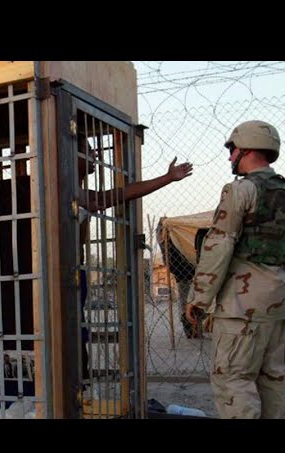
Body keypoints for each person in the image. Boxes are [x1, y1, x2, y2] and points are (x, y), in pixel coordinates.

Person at [185, 120, 285, 419]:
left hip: (242, 306)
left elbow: (219, 245)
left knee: (233, 380)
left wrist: (199, 298)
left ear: (247, 149)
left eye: (233, 150)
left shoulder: (240, 190)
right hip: (279, 305)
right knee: (275, 382)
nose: (230, 157)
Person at [77, 137, 193, 382]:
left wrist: (167, 178)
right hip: (61, 274)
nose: (96, 155)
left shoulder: (83, 194)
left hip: (76, 273)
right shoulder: (64, 191)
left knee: (76, 334)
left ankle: (79, 385)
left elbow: (123, 193)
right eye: (88, 150)